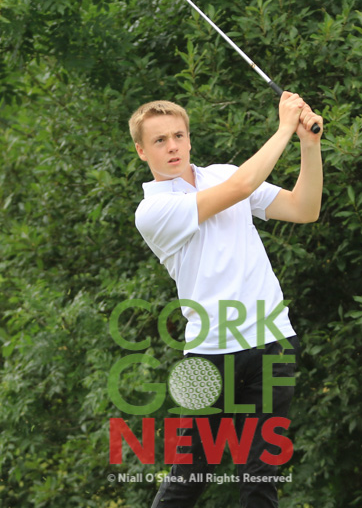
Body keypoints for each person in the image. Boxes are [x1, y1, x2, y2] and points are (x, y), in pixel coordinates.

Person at [129, 92, 323, 508]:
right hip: (210, 355)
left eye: (178, 135)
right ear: (142, 151)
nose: (172, 146)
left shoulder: (222, 173)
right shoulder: (154, 210)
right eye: (160, 140)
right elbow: (241, 187)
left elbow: (304, 208)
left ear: (189, 139)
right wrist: (284, 128)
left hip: (273, 342)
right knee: (189, 479)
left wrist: (309, 145)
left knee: (260, 479)